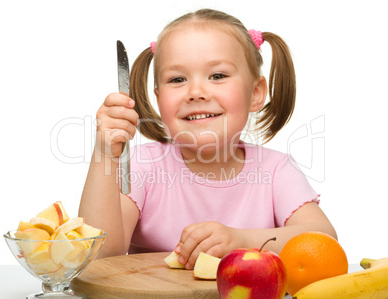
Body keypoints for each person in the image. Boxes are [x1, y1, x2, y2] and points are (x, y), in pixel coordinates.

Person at [79, 8, 337, 269]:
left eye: (217, 76)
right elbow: (98, 257)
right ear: (158, 99)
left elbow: (323, 240)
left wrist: (242, 240)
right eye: (177, 79)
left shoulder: (277, 170)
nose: (196, 92)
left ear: (256, 93)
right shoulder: (142, 166)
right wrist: (104, 153)